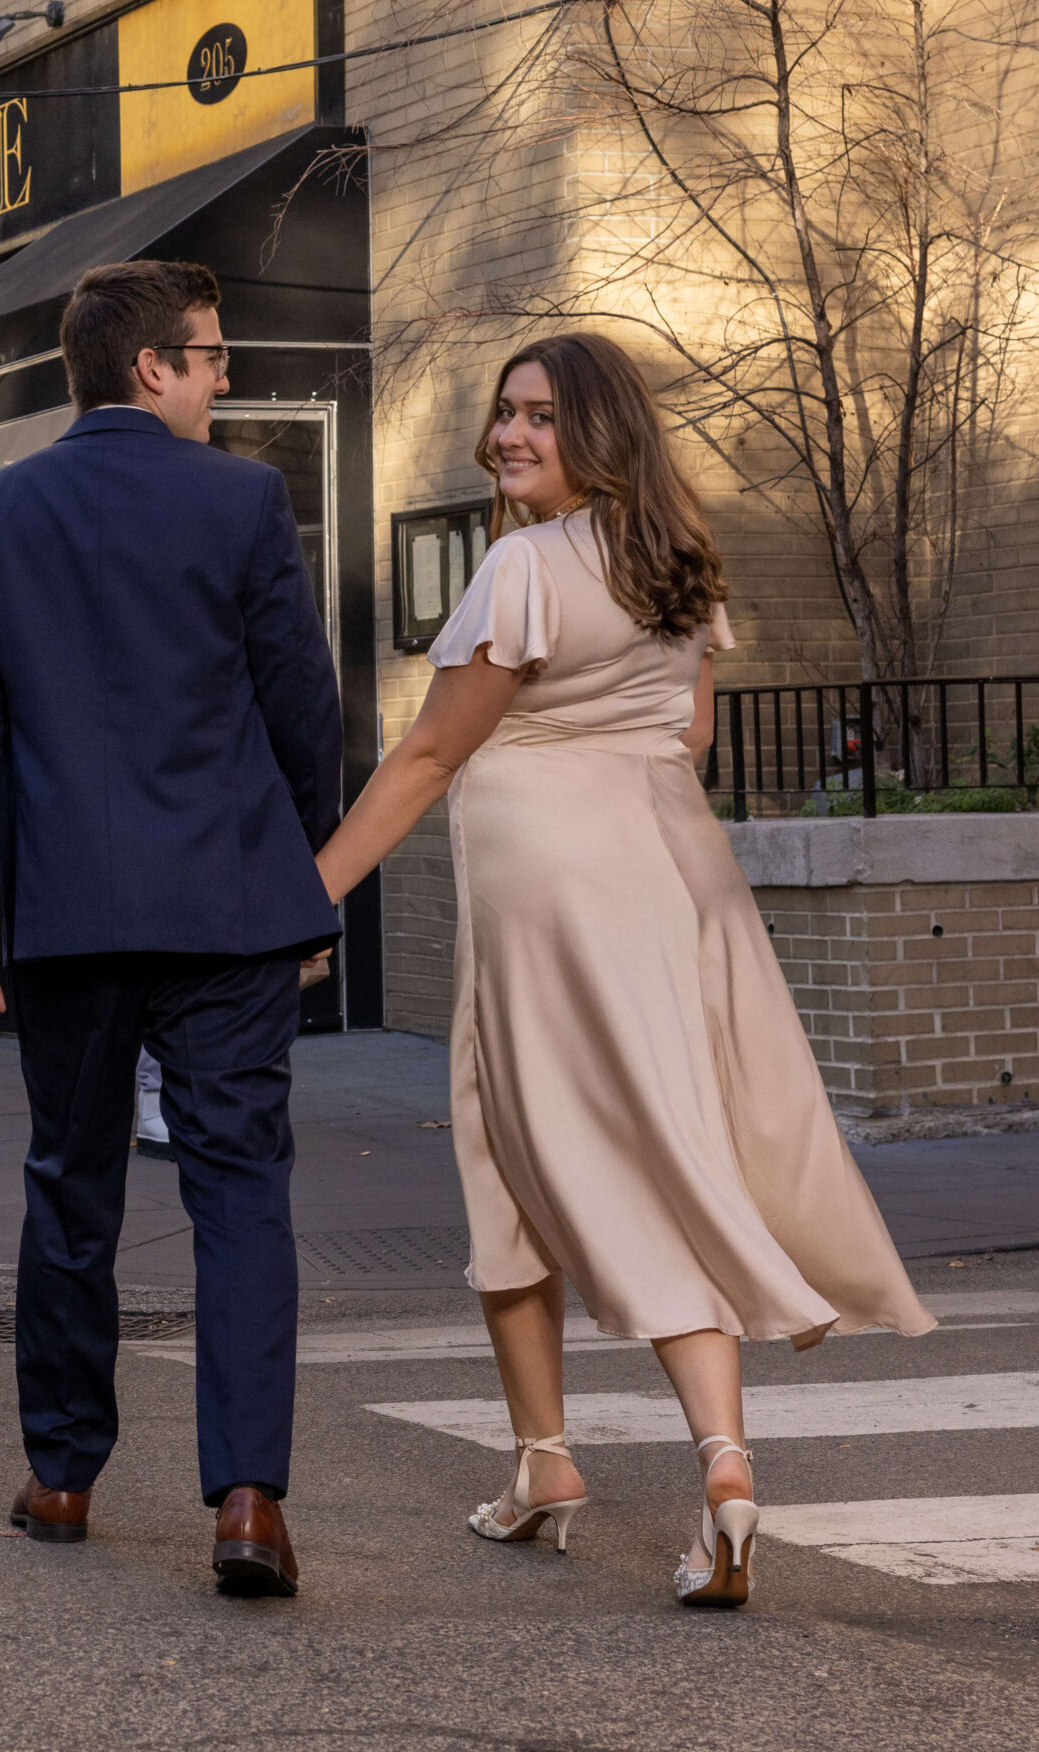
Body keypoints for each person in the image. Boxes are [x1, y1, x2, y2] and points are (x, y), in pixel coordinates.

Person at [314, 332, 934, 1608]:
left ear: (598, 431)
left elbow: (430, 755)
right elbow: (689, 733)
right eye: (504, 416)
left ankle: (651, 1465)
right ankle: (615, 1463)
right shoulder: (676, 560)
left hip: (554, 883)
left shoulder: (525, 565)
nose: (508, 437)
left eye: (539, 416)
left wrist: (300, 896)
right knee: (654, 1140)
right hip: (673, 870)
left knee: (560, 1151)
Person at [0, 258, 343, 1597]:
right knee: (239, 1192)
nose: (226, 380)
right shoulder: (240, 500)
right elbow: (300, 706)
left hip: (66, 914)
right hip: (226, 906)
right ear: (150, 366)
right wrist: (309, 879)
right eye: (212, 357)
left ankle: (60, 1473)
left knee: (71, 1184)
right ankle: (244, 1502)